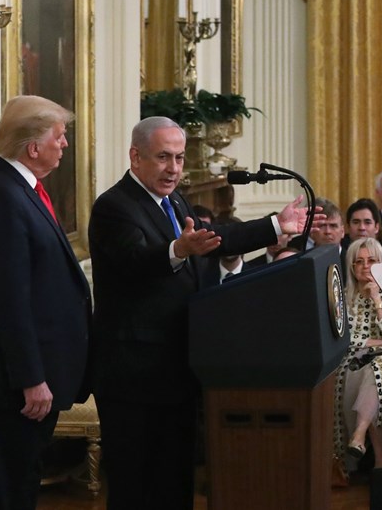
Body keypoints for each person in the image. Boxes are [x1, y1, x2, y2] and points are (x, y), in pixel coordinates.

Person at [89, 116, 316, 510]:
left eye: (178, 158)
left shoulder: (173, 200)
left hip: (178, 368)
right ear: (135, 156)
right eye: (163, 157)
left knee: (176, 481)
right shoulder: (114, 206)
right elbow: (135, 262)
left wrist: (275, 225)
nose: (174, 168)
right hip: (134, 376)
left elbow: (215, 238)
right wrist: (179, 250)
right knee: (135, 486)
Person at [0, 96, 91, 510]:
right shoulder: (1, 195)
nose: (64, 144)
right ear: (33, 147)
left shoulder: (17, 189)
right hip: (6, 386)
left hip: (18, 382)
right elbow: (8, 298)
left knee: (20, 487)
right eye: (59, 136)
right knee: (4, 493)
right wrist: (31, 378)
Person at [335, 237, 382, 470]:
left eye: (371, 260)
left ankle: (359, 436)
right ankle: (380, 459)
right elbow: (343, 339)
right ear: (351, 267)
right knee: (366, 372)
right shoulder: (343, 296)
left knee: (378, 369)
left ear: (381, 263)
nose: (365, 266)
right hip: (354, 359)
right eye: (359, 262)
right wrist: (372, 341)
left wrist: (376, 299)